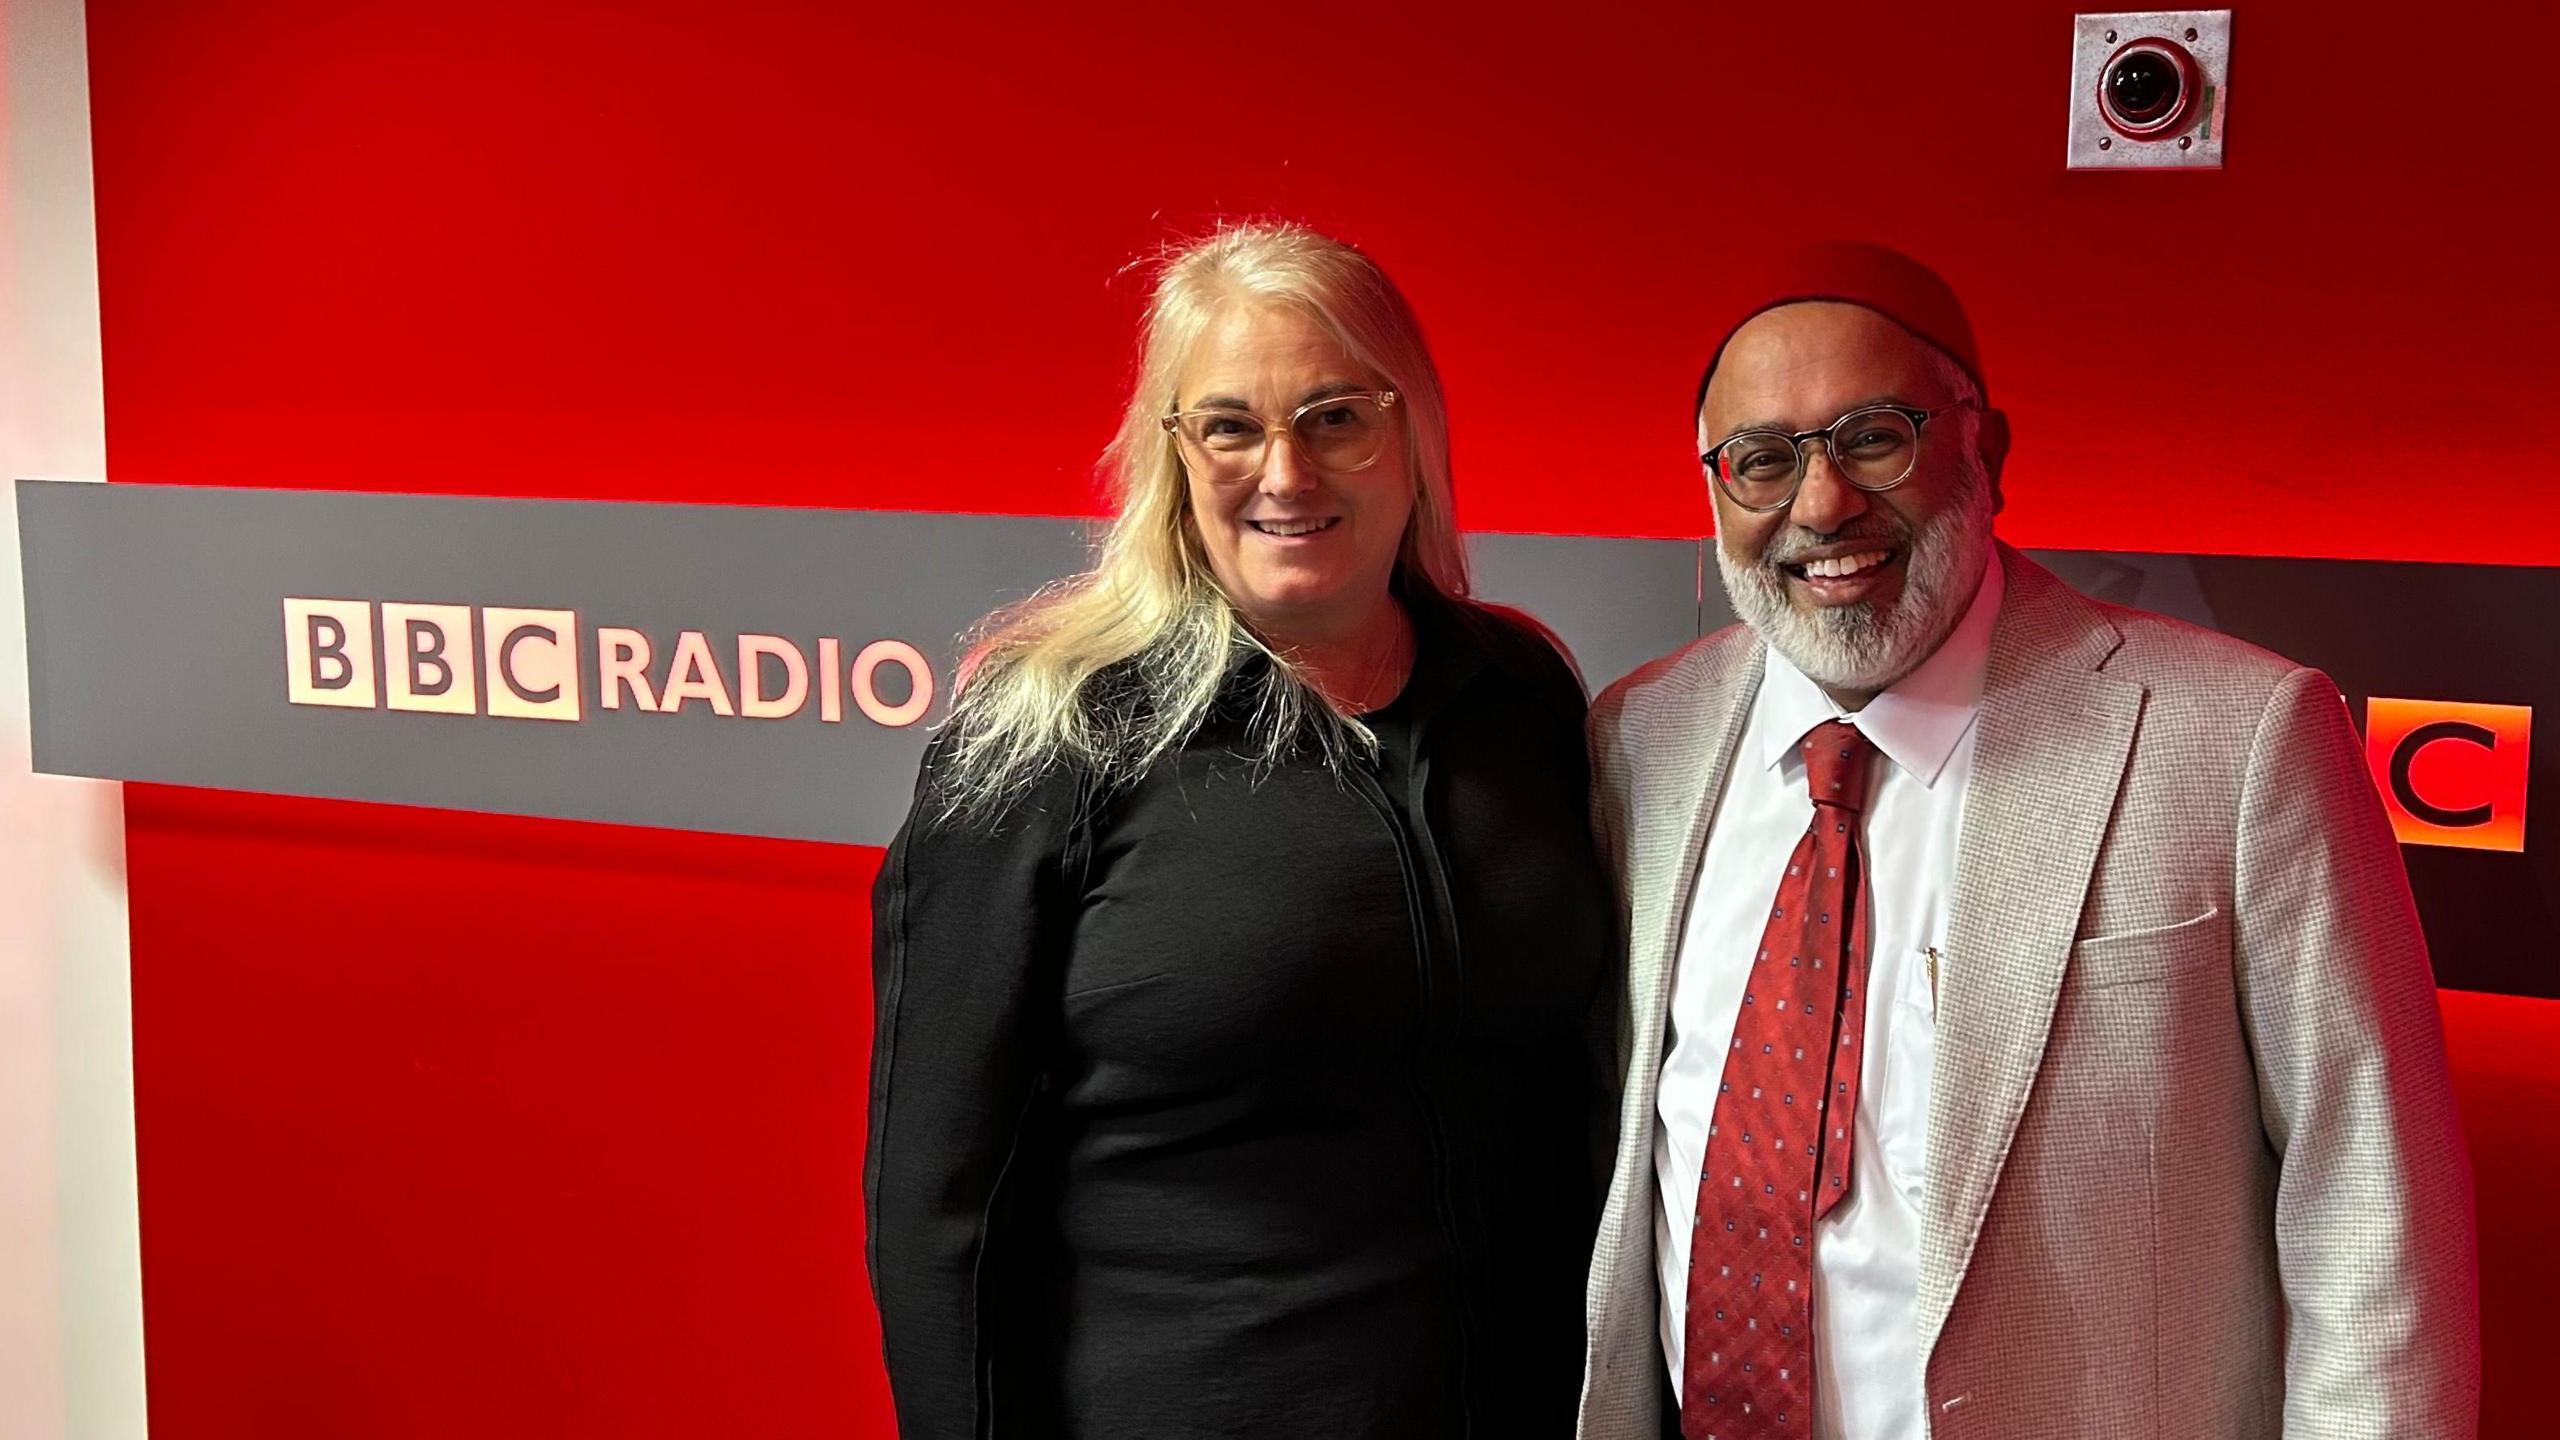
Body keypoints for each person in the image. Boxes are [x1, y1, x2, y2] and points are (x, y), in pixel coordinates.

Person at [1576, 242, 2479, 1439]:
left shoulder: (2239, 735)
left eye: (1873, 436)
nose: (1820, 503)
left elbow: (2369, 1207)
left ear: (1984, 449)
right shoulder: (1642, 734)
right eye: (1760, 461)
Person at [865, 221, 1612, 1439]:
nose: (1284, 473)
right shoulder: (1048, 735)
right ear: (1171, 455)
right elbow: (942, 1201)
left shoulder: (1520, 696)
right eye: (1229, 426)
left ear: (1411, 433)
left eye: (1334, 416)